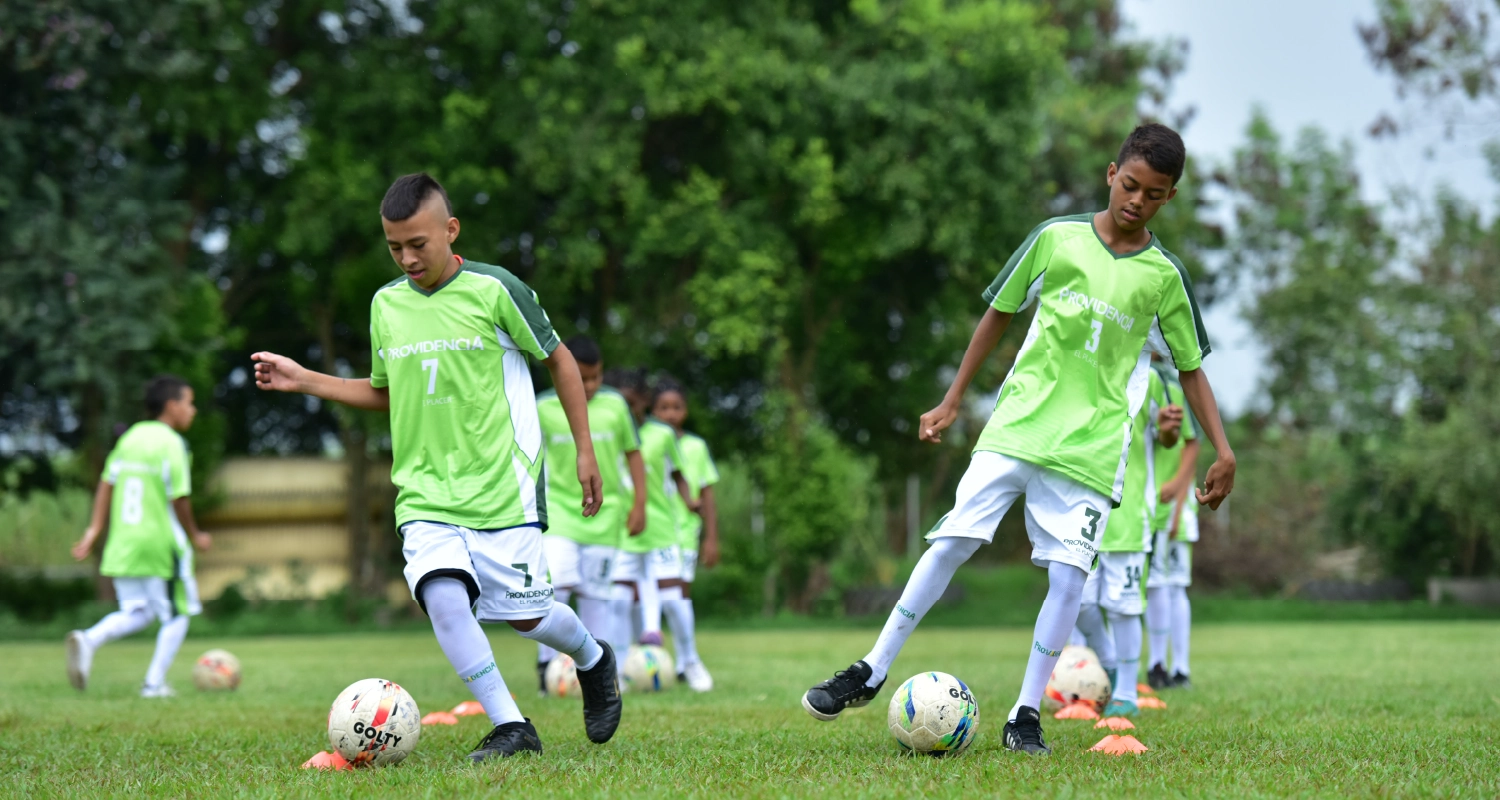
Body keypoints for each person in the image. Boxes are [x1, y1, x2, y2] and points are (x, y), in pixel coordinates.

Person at [799, 123, 1236, 756]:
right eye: (1131, 184)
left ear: (1169, 198)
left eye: (1155, 193)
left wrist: (1221, 448)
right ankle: (870, 668)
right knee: (951, 541)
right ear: (1112, 174)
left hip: (1090, 450)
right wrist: (953, 398)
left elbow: (1191, 368)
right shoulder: (1054, 239)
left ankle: (1024, 713)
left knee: (1067, 581)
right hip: (1018, 426)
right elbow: (998, 313)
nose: (1137, 201)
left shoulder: (1165, 278)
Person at [250, 172, 620, 763]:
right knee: (441, 595)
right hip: (424, 491)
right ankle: (512, 726)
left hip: (505, 487)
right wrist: (304, 380)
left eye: (418, 243)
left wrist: (583, 449)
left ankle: (594, 658)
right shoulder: (386, 305)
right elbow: (386, 390)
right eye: (394, 246)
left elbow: (560, 359)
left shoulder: (497, 290)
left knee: (526, 620)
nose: (406, 258)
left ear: (451, 230)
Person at [67, 374, 211, 698]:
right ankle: (154, 684)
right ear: (172, 406)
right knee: (178, 614)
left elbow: (106, 482)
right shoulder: (172, 443)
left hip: (124, 544)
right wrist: (196, 534)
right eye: (189, 403)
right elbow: (180, 498)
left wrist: (94, 529)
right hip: (160, 543)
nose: (193, 410)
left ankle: (89, 640)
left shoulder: (129, 438)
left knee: (138, 611)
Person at [535, 335, 647, 694]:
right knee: (557, 589)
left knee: (596, 596)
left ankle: (597, 674)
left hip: (605, 514)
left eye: (596, 377)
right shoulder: (542, 408)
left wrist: (639, 503)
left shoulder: (615, 406)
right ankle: (547, 668)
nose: (590, 386)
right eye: (582, 378)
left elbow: (633, 453)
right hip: (560, 515)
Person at [1074, 368, 1182, 717]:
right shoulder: (1085, 362)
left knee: (1124, 607)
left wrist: (1166, 431)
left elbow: (1167, 438)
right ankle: (1110, 663)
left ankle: (1125, 692)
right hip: (1080, 506)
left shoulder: (1147, 378)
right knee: (1078, 601)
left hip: (1129, 511)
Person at [649, 381, 721, 692]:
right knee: (648, 596)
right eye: (663, 408)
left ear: (685, 411)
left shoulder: (695, 447)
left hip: (686, 535)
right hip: (653, 531)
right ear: (652, 411)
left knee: (680, 596)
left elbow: (706, 494)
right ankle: (648, 662)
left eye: (676, 407)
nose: (670, 414)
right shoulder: (646, 443)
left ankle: (684, 663)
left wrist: (711, 538)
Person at [610, 378, 692, 649]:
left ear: (643, 403)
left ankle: (690, 661)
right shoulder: (609, 434)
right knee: (619, 599)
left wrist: (689, 501)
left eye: (631, 403)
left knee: (672, 598)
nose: (626, 409)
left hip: (659, 526)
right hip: (622, 529)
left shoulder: (662, 434)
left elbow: (678, 474)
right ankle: (620, 666)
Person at [1146, 359, 1201, 690]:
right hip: (1149, 508)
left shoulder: (1172, 385)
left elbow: (1192, 445)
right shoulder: (1141, 380)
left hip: (1175, 509)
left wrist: (1180, 499)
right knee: (1155, 586)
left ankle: (1180, 667)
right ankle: (1157, 664)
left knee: (1175, 586)